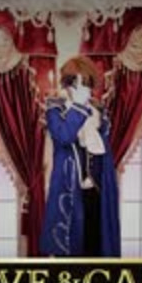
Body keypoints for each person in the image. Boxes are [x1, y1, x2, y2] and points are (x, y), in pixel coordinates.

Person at [39, 56, 120, 258]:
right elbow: (64, 136)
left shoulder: (97, 109)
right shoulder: (55, 108)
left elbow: (103, 147)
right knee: (71, 248)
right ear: (67, 83)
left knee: (96, 245)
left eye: (86, 83)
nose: (83, 88)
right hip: (69, 187)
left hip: (98, 187)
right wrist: (78, 106)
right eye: (76, 82)